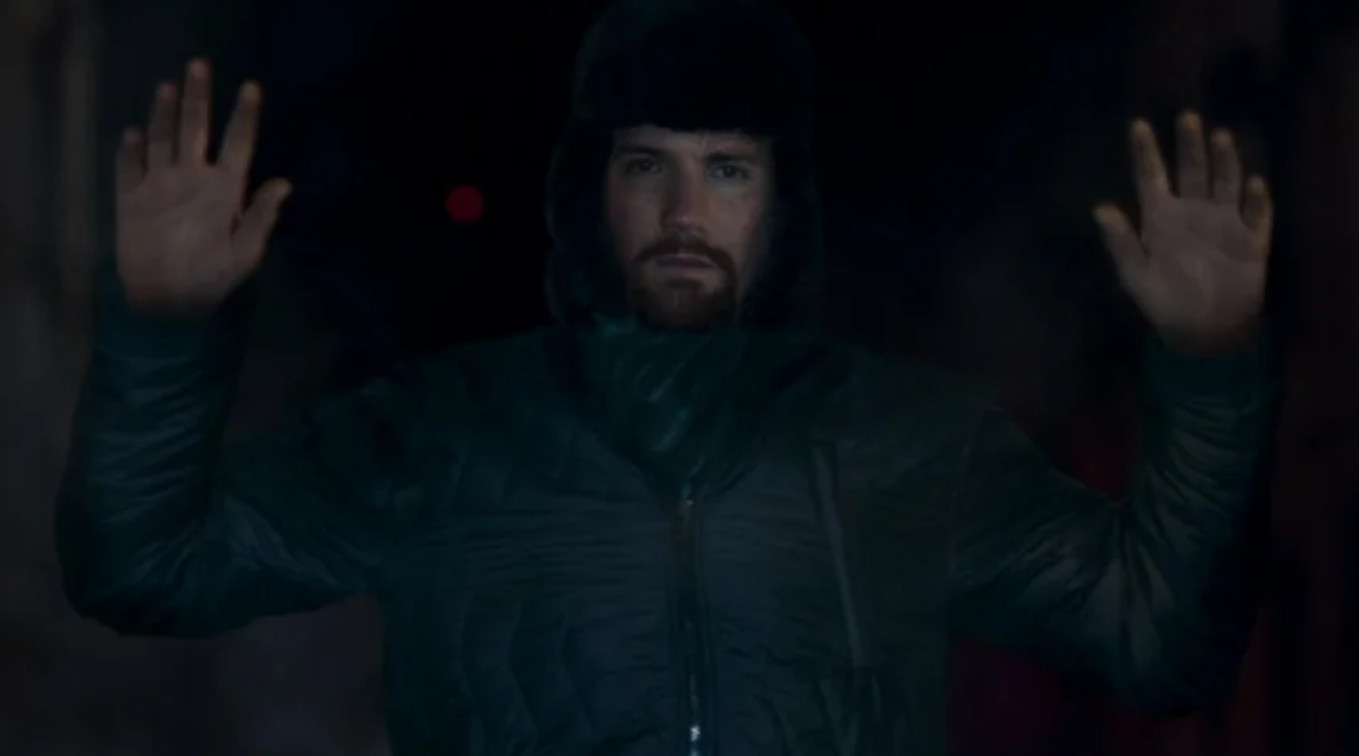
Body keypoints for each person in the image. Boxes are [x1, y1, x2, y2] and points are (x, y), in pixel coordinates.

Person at [57, 0, 1278, 753]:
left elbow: (1160, 640)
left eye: (728, 171)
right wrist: (163, 325)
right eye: (648, 165)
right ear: (591, 190)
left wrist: (1210, 365)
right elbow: (145, 567)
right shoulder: (449, 435)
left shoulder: (908, 442)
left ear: (781, 204)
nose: (686, 211)